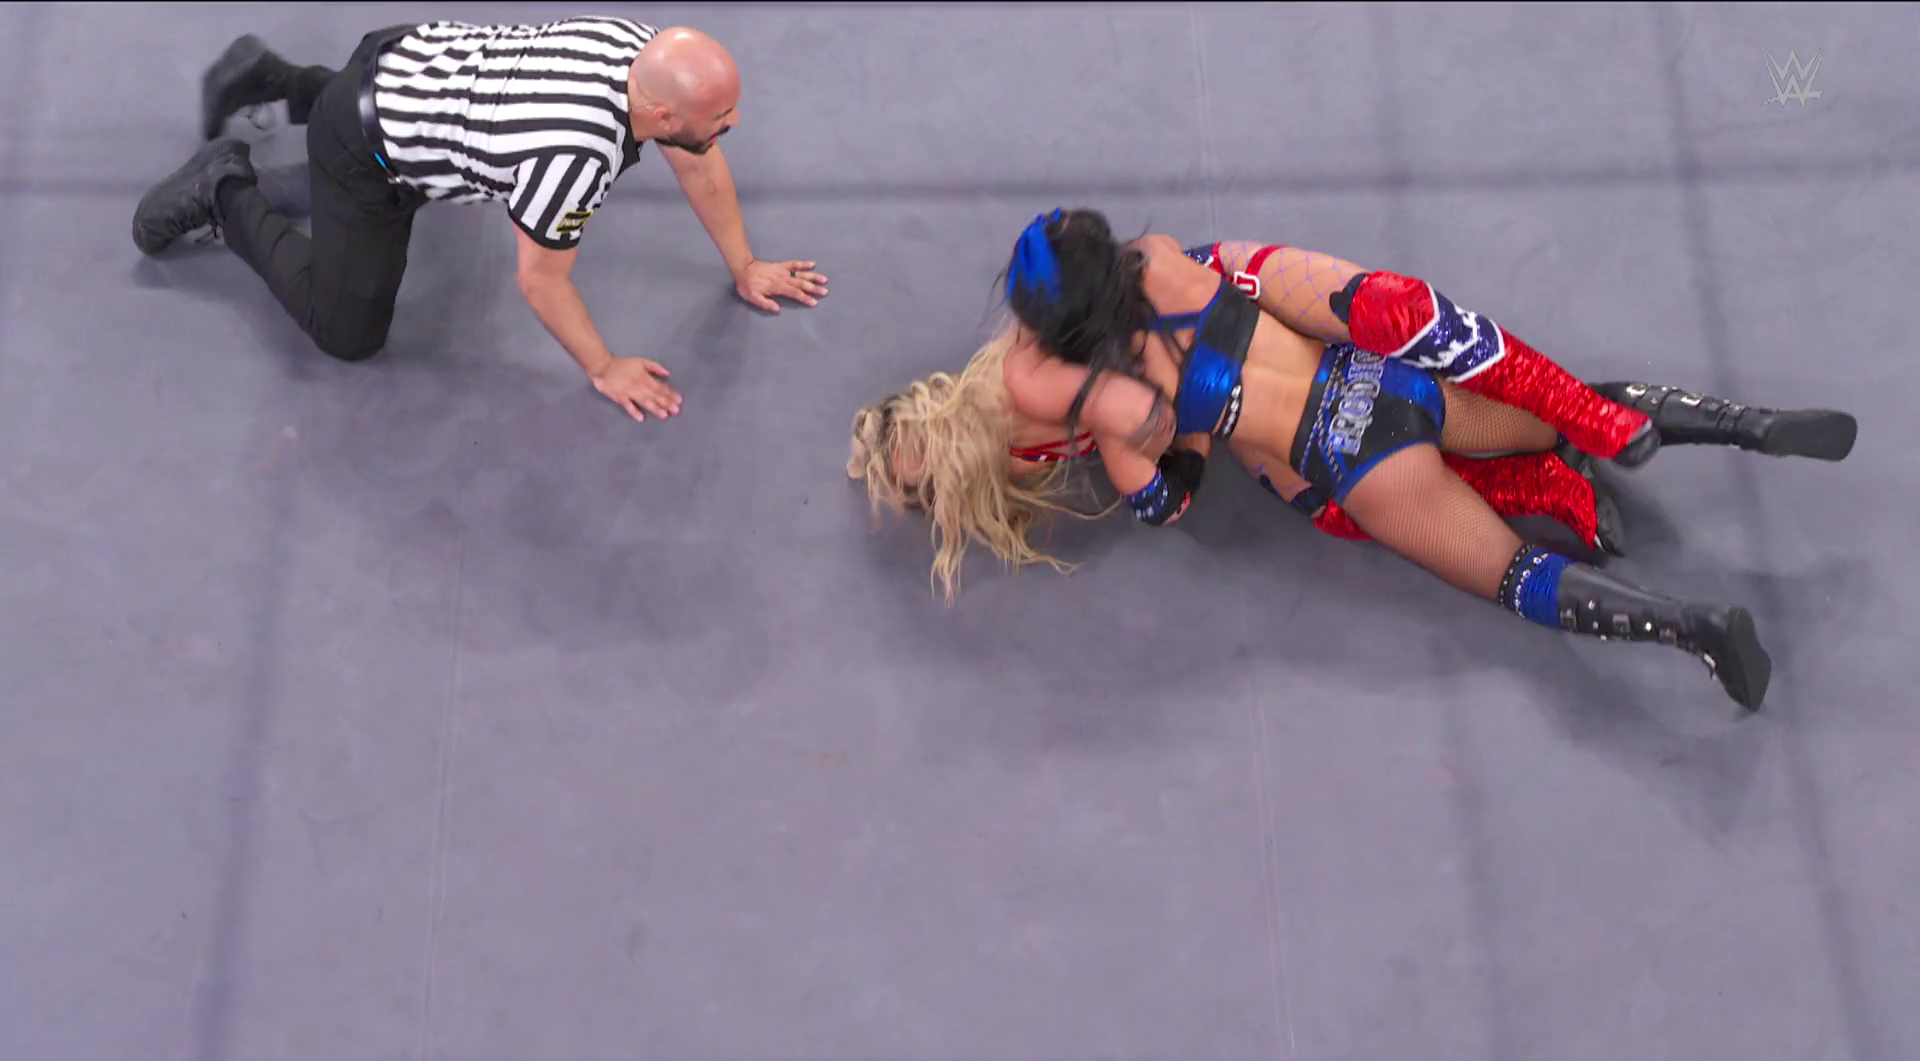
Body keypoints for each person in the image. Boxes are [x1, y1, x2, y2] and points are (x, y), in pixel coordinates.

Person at [847, 209, 1860, 713]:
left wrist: (1161, 437)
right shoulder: (1166, 261)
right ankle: (1742, 423)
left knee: (1512, 574)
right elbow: (1259, 283)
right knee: (1548, 416)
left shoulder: (1107, 406)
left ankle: (1693, 630)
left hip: (1347, 464)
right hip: (1379, 379)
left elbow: (1165, 501)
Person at [130, 17, 829, 423]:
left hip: (407, 53)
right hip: (366, 145)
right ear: (663, 115)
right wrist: (606, 367)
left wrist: (745, 265)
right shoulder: (574, 158)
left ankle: (273, 78)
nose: (735, 123)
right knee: (346, 332)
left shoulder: (639, 49)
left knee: (392, 94)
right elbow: (540, 281)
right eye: (721, 115)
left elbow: (698, 160)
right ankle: (222, 187)